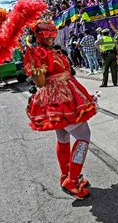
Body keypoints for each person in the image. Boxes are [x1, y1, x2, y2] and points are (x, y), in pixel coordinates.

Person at [23, 19, 96, 199]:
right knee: (83, 136)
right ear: (37, 36)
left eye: (52, 33)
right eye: (45, 34)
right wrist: (35, 64)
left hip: (68, 94)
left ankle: (67, 176)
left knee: (63, 137)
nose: (50, 37)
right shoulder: (37, 52)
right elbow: (40, 83)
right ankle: (72, 180)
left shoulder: (53, 50)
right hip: (59, 99)